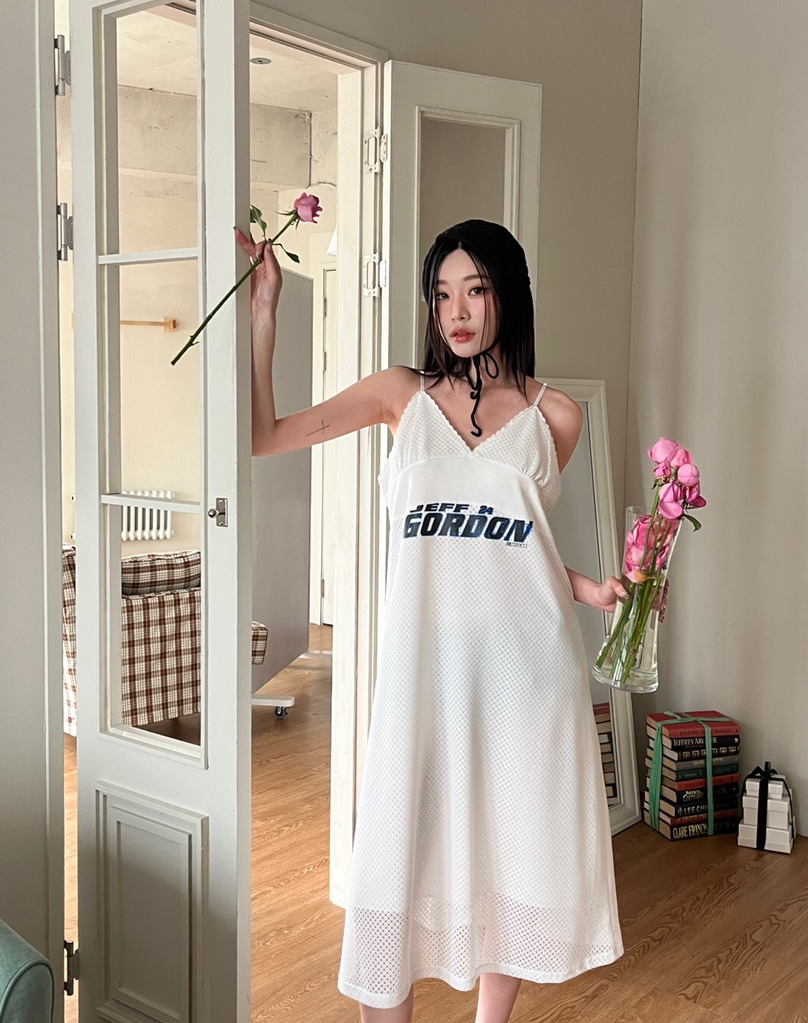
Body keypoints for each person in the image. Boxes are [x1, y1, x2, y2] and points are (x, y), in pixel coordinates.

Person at [238, 219, 627, 1023]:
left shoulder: (556, 415)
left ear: (507, 295)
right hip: (421, 680)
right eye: (443, 293)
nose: (458, 311)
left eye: (475, 290)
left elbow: (509, 546)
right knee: (396, 865)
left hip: (526, 676)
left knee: (514, 854)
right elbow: (264, 437)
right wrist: (264, 314)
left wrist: (585, 588)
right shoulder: (400, 397)